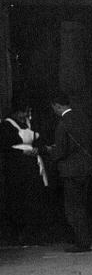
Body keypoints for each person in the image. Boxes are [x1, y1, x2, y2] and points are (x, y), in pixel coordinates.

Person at [48, 93, 92, 253]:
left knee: (73, 207)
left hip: (70, 170)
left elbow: (61, 151)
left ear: (57, 106)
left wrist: (49, 152)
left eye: (54, 108)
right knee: (81, 205)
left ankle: (82, 242)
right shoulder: (82, 119)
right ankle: (84, 239)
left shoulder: (63, 123)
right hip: (85, 168)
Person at [0, 97, 48, 244]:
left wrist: (37, 150)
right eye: (21, 112)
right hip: (17, 168)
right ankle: (20, 234)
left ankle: (34, 232)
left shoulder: (29, 124)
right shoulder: (7, 126)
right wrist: (23, 153)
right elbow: (5, 148)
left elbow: (40, 140)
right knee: (19, 200)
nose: (24, 115)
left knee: (33, 199)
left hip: (32, 165)